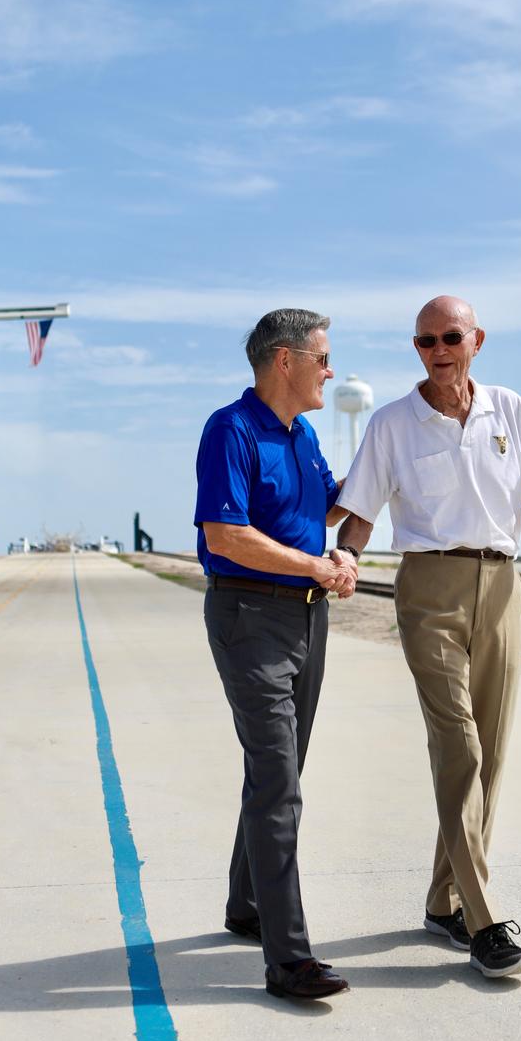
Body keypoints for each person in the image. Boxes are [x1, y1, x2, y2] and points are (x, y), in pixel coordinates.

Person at [336, 295, 521, 979]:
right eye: (423, 341)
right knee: (459, 747)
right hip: (429, 591)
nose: (436, 350)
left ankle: (442, 900)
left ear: (476, 340)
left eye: (449, 337)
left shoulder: (511, 410)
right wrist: (339, 561)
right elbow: (358, 512)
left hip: (503, 588)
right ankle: (482, 919)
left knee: (490, 755)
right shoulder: (390, 424)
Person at [195, 308, 357, 1000]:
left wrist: (386, 467)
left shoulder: (305, 433)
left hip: (306, 621)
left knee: (277, 773)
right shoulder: (230, 429)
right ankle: (288, 961)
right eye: (322, 357)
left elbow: (323, 510)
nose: (331, 369)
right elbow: (225, 533)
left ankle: (247, 906)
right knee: (279, 782)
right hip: (249, 616)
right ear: (284, 361)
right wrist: (316, 567)